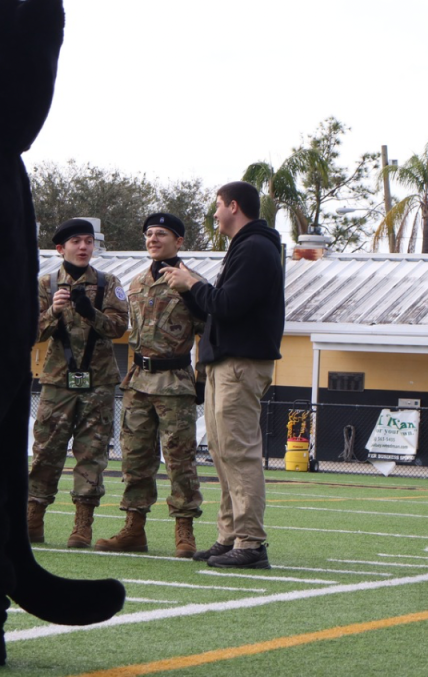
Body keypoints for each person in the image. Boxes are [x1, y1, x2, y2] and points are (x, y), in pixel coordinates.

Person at [161, 181, 284, 570]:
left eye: (217, 205)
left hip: (241, 364)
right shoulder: (244, 247)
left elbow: (227, 304)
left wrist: (191, 283)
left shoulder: (256, 248)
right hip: (224, 363)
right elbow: (220, 306)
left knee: (239, 452)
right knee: (221, 451)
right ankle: (230, 536)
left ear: (234, 206)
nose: (214, 213)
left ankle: (251, 543)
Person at [94, 213, 205, 558]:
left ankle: (184, 530)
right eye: (149, 234)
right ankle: (134, 528)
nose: (153, 239)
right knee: (135, 459)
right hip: (138, 381)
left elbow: (207, 331)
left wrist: (201, 378)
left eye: (161, 234)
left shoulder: (192, 282)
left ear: (179, 242)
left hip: (175, 383)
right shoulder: (137, 283)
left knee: (179, 460)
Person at [27, 218, 129, 548]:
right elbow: (28, 332)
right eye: (76, 242)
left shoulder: (107, 282)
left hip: (97, 382)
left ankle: (82, 524)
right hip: (57, 380)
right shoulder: (45, 284)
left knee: (92, 454)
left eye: (88, 241)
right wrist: (53, 313)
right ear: (61, 248)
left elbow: (118, 329)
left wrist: (90, 312)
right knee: (46, 451)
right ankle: (33, 518)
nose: (84, 247)